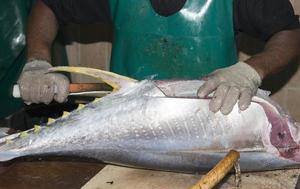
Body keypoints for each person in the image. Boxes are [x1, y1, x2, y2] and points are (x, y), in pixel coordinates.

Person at [18, 0, 300, 115]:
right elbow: (49, 5)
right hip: (123, 120)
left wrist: (251, 71)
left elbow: (289, 32)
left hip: (210, 120)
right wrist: (38, 61)